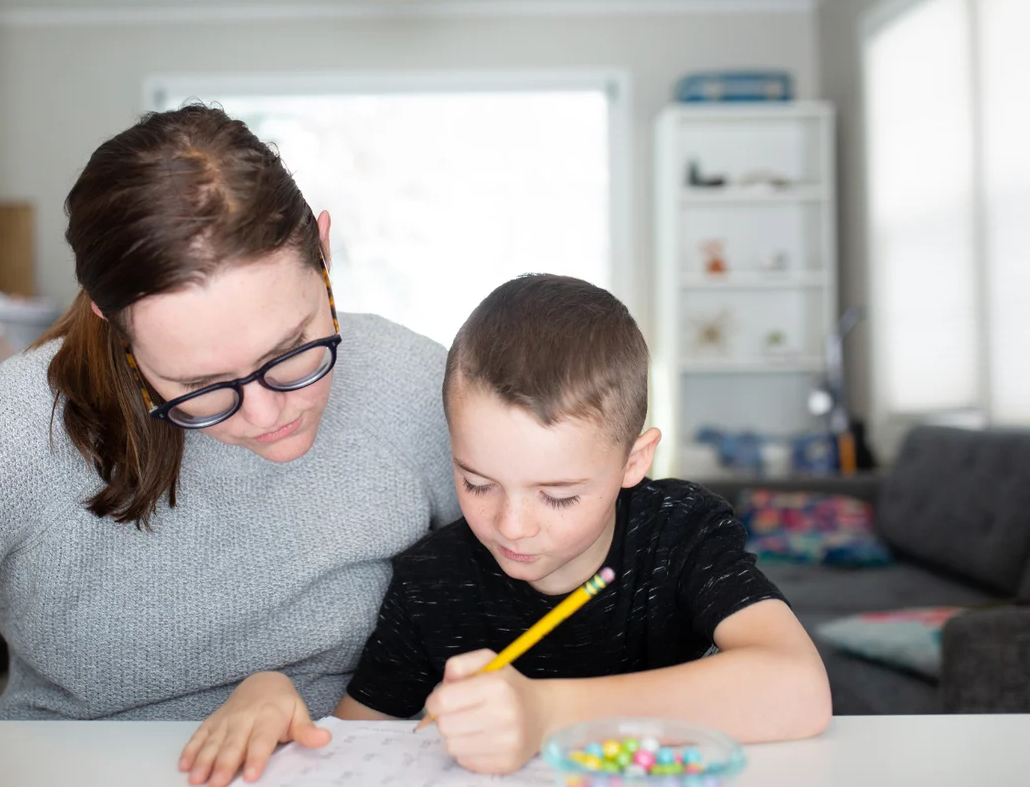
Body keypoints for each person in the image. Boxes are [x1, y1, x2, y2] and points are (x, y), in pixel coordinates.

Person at [0, 105, 459, 787]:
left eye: (293, 351)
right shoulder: (25, 424)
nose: (268, 411)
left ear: (325, 253)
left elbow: (552, 580)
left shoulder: (415, 383)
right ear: (110, 320)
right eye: (201, 384)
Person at [193, 274, 831, 780]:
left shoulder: (682, 533)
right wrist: (270, 692)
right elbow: (354, 745)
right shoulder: (430, 585)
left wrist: (547, 712)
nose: (512, 526)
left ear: (635, 461)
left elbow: (799, 689)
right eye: (476, 483)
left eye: (558, 496)